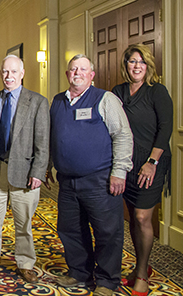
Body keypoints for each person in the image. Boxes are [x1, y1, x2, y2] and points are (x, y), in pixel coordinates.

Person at [48, 54, 133, 296]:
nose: (77, 73)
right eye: (73, 69)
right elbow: (54, 137)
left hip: (100, 180)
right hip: (67, 181)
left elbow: (123, 135)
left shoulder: (105, 99)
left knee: (107, 231)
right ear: (67, 74)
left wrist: (119, 172)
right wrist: (49, 165)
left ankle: (107, 280)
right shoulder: (58, 101)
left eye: (83, 69)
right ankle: (78, 272)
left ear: (91, 75)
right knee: (70, 229)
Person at [0, 55, 49, 284]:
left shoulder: (37, 102)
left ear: (22, 73)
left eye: (12, 72)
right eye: (4, 72)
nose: (8, 77)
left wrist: (39, 172)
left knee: (24, 224)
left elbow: (43, 142)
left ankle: (25, 263)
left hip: (25, 172)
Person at [112, 44, 173, 296]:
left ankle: (141, 274)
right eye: (131, 61)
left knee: (142, 217)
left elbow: (166, 128)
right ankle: (141, 266)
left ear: (148, 66)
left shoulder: (157, 91)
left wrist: (152, 162)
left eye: (141, 62)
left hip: (151, 162)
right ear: (125, 65)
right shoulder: (117, 92)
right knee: (133, 218)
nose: (136, 66)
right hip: (127, 163)